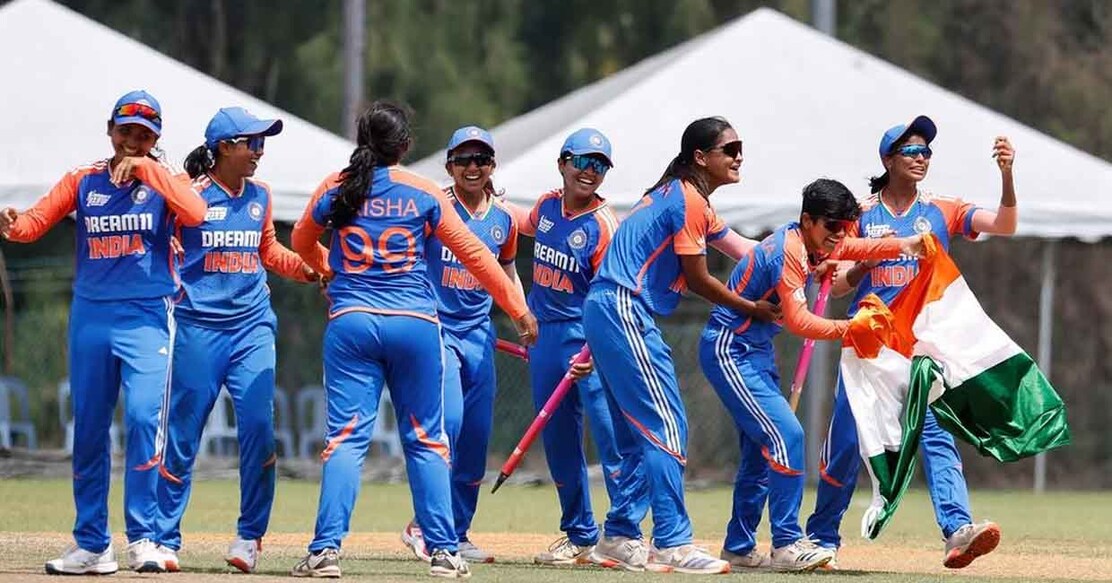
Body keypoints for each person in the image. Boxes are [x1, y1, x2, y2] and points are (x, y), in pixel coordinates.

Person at [288, 101, 537, 579]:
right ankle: (444, 551)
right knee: (428, 441)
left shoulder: (337, 187)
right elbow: (476, 256)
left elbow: (301, 240)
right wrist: (519, 310)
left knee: (344, 440)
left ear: (362, 142)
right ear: (406, 146)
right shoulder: (424, 192)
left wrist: (327, 270)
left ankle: (324, 552)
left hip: (352, 323)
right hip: (417, 326)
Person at [0, 90, 207, 575]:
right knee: (89, 430)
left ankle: (145, 539)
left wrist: (147, 171)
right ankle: (92, 545)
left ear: (156, 139)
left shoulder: (166, 179)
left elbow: (196, 213)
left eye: (144, 135)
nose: (133, 141)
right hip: (91, 319)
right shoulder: (84, 179)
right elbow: (34, 223)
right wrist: (12, 224)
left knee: (140, 420)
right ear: (110, 131)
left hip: (147, 317)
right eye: (126, 132)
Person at [805, 115, 1019, 569]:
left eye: (926, 152)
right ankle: (822, 538)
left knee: (937, 436)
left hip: (923, 347)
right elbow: (838, 284)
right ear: (888, 159)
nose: (922, 158)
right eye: (912, 151)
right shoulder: (860, 215)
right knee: (846, 442)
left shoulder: (943, 209)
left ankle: (957, 530)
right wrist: (869, 260)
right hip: (869, 345)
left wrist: (1006, 174)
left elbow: (1004, 223)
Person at [582, 116, 780, 575]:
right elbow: (699, 279)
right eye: (729, 149)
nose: (738, 157)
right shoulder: (687, 199)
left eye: (739, 148)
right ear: (700, 157)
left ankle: (619, 536)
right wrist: (751, 307)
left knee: (638, 432)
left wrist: (806, 252)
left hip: (609, 306)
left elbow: (747, 250)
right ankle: (672, 543)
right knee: (667, 425)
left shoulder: (690, 200)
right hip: (622, 305)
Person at [698, 178, 925, 572]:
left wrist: (905, 245)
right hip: (729, 348)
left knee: (760, 450)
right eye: (831, 228)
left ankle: (738, 545)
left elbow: (857, 247)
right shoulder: (788, 250)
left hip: (755, 350)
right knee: (789, 435)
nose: (839, 238)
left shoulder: (814, 241)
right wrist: (851, 328)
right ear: (807, 220)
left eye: (844, 228)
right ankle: (786, 543)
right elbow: (801, 322)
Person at [154, 107, 319, 574]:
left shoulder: (260, 196)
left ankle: (250, 536)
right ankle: (164, 538)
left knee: (259, 430)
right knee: (184, 436)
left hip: (252, 328)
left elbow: (267, 250)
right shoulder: (188, 196)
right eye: (253, 144)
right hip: (198, 328)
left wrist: (308, 269)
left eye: (263, 144)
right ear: (224, 147)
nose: (260, 153)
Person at [516, 129, 646, 566]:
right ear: (562, 163)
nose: (590, 172)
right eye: (583, 162)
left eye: (600, 165)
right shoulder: (546, 206)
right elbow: (521, 227)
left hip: (588, 339)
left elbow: (610, 294)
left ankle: (625, 533)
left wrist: (593, 349)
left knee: (612, 440)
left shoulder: (605, 224)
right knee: (559, 441)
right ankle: (579, 534)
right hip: (544, 337)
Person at [400, 126, 522, 564]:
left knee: (475, 439)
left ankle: (459, 528)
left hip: (480, 336)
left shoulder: (503, 219)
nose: (473, 167)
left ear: (492, 165)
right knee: (447, 425)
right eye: (464, 160)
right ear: (449, 165)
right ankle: (423, 525)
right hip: (437, 332)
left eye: (482, 159)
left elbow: (508, 273)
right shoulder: (435, 206)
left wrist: (523, 316)